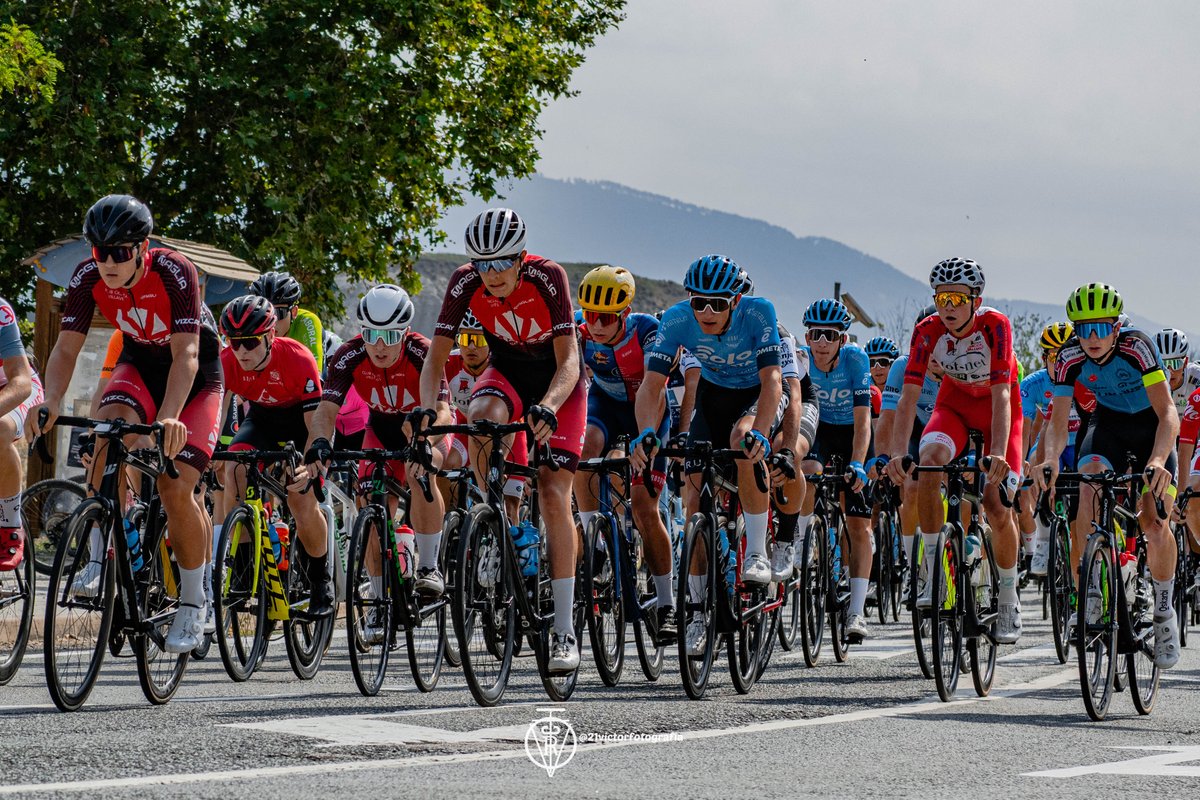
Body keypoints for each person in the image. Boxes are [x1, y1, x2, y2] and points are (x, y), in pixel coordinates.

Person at [28, 194, 224, 653]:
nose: (108, 262)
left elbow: (188, 355)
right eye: (100, 252)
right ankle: (105, 548)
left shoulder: (175, 271)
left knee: (177, 488)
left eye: (119, 252)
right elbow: (65, 348)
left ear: (142, 248)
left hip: (194, 375)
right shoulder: (86, 278)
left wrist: (172, 415)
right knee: (102, 438)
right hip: (139, 362)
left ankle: (196, 602)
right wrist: (51, 399)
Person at [416, 208, 585, 673]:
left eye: (500, 263)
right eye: (481, 264)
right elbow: (435, 362)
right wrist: (429, 410)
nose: (490, 274)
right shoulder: (465, 281)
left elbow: (570, 360)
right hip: (507, 371)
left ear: (520, 258)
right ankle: (493, 522)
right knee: (480, 416)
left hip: (557, 384)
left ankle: (565, 630)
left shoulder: (547, 276)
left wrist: (549, 405)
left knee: (553, 492)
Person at [631, 254, 783, 657]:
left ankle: (755, 551)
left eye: (719, 303)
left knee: (743, 439)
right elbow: (651, 386)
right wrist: (648, 432)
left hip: (754, 395)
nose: (708, 311)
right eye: (700, 301)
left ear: (735, 301)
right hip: (714, 397)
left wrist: (763, 435)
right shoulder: (677, 320)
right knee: (694, 499)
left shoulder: (759, 312)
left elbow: (772, 382)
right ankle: (697, 611)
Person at [1032, 283, 1181, 669]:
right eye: (1083, 329)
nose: (1092, 338)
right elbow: (1059, 421)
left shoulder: (1138, 347)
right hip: (1109, 424)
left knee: (1153, 519)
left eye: (1101, 328)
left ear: (1116, 327)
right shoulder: (1068, 358)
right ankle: (1092, 591)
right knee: (1088, 486)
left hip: (1152, 427)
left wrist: (1160, 460)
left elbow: (1168, 414)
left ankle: (1165, 613)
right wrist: (1050, 459)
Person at [884, 257, 1024, 644]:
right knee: (928, 465)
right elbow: (908, 397)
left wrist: (997, 453)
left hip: (999, 410)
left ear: (975, 300)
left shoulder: (996, 326)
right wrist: (898, 454)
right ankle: (931, 568)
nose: (947, 306)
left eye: (956, 298)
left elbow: (1001, 396)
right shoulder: (927, 331)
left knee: (996, 506)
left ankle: (1010, 597)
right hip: (955, 406)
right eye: (941, 297)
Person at [305, 285, 452, 610]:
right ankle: (379, 597)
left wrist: (425, 441)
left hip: (424, 428)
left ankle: (429, 566)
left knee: (421, 472)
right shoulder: (349, 354)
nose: (380, 345)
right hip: (381, 429)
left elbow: (443, 410)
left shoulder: (421, 351)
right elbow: (325, 411)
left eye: (390, 335)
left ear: (407, 331)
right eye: (371, 334)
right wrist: (317, 443)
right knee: (369, 504)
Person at [575, 265, 677, 642]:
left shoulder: (649, 331)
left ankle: (667, 603)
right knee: (584, 446)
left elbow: (655, 386)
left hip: (648, 412)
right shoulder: (578, 330)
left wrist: (646, 437)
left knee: (643, 507)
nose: (596, 325)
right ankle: (593, 535)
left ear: (625, 312)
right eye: (590, 316)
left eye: (605, 318)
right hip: (606, 405)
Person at [218, 295, 333, 616]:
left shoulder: (299, 358)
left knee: (300, 497)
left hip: (302, 423)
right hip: (261, 420)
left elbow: (315, 425)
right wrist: (209, 449)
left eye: (250, 342)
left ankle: (320, 580)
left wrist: (310, 464)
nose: (241, 351)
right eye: (234, 341)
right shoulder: (226, 359)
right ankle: (242, 569)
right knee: (235, 470)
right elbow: (217, 410)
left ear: (270, 336)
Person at [799, 299, 875, 641]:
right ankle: (804, 537)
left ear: (842, 340)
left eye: (830, 335)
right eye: (816, 334)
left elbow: (863, 422)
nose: (821, 343)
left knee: (859, 523)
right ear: (807, 336)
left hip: (852, 433)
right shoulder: (802, 360)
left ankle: (857, 611)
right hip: (820, 429)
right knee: (807, 469)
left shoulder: (855, 360)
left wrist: (859, 463)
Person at [0, 297, 43, 569]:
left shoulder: (0, 311)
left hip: (15, 390)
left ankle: (9, 525)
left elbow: (21, 381)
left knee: (0, 429)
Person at [249, 271, 325, 371]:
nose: (271, 322)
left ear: (294, 312)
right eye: (263, 315)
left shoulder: (307, 321)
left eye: (278, 313)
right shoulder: (248, 323)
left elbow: (315, 372)